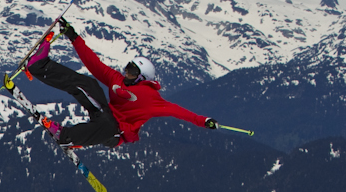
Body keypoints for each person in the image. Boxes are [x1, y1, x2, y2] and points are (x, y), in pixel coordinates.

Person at [24, 19, 215, 149]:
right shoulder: (117, 80)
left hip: (116, 133)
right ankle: (40, 66)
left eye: (132, 72)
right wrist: (73, 37)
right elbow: (93, 63)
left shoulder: (150, 98)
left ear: (142, 78)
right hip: (105, 116)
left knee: (106, 119)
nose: (126, 74)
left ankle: (65, 136)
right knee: (88, 83)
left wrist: (203, 121)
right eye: (127, 68)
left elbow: (178, 111)